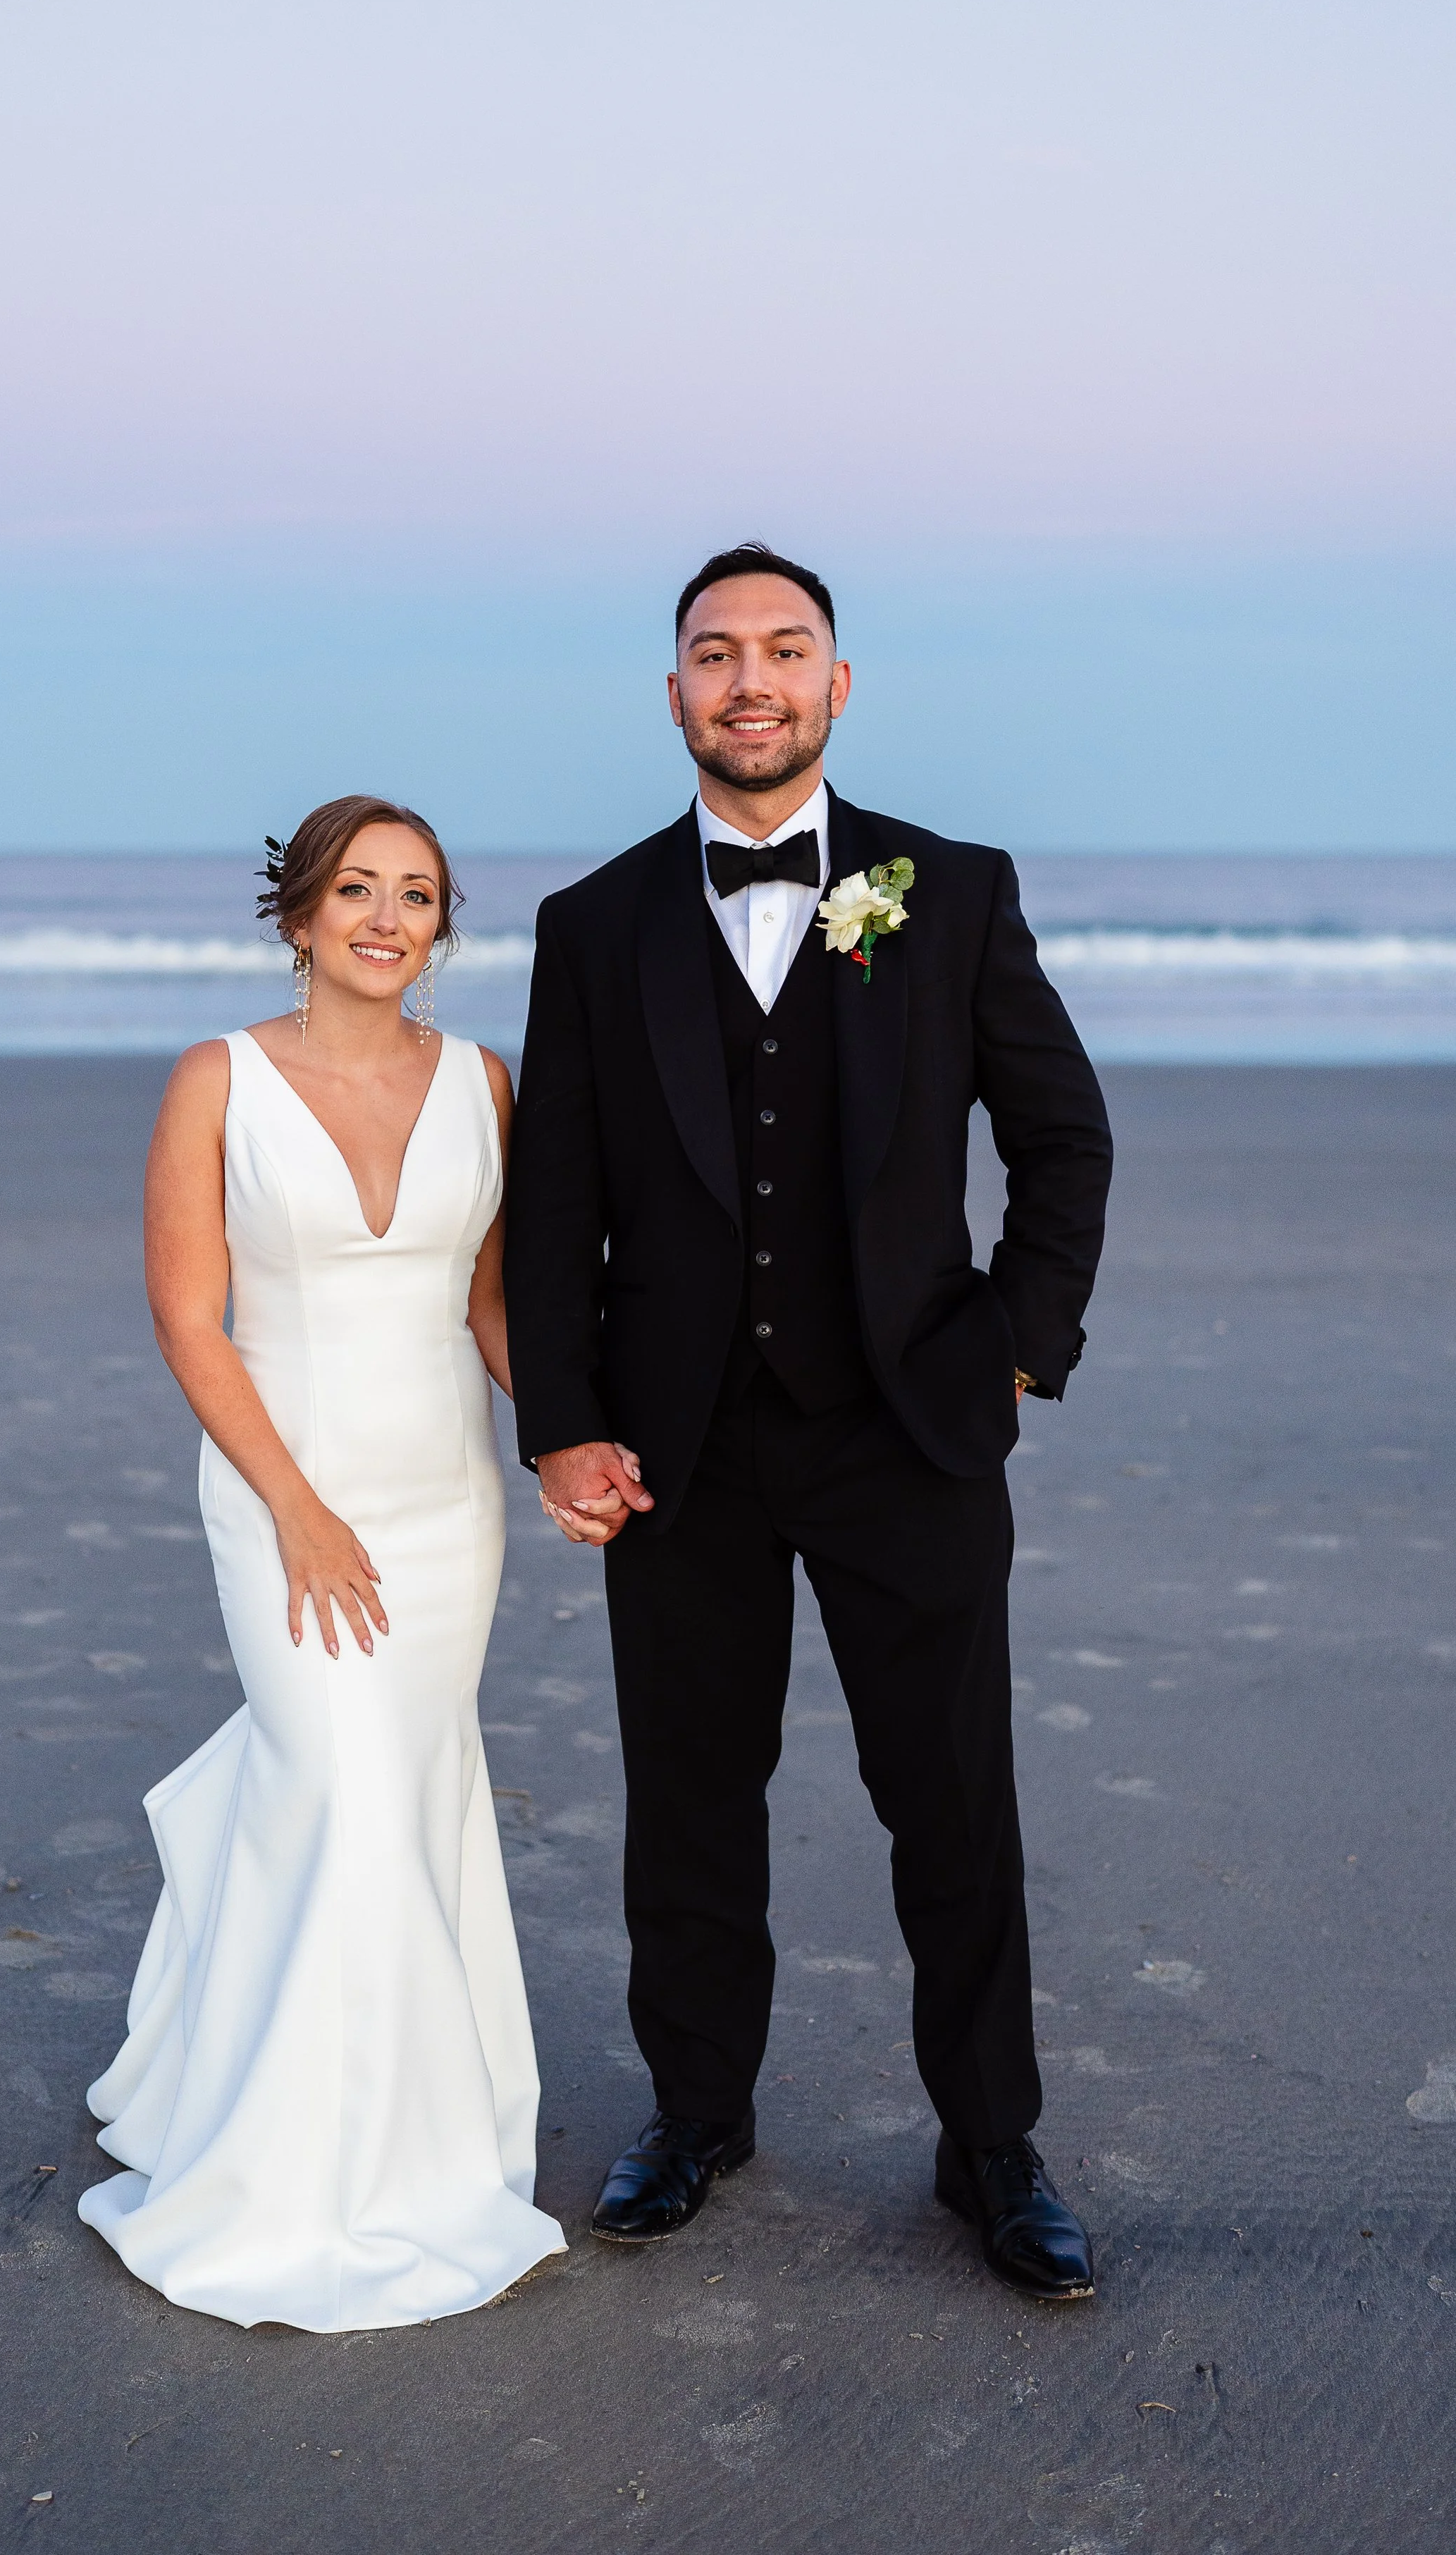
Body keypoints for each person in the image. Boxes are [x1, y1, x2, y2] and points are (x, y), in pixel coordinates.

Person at [505, 543, 1114, 2301]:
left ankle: (989, 2142)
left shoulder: (954, 889)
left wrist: (1012, 1344)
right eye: (715, 653)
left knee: (950, 1801)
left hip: (908, 1432)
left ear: (837, 687)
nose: (749, 680)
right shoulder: (593, 925)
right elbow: (553, 1212)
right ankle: (697, 2114)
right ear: (674, 690)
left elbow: (1060, 1140)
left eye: (785, 651)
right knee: (689, 1799)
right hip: (673, 1448)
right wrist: (560, 1422)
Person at [78, 797, 566, 2330]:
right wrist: (291, 1504)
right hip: (282, 1494)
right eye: (354, 889)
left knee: (400, 1793)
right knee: (341, 1786)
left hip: (441, 1507)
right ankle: (297, 2179)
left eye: (415, 896)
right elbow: (187, 1321)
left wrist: (564, 1438)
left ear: (440, 929)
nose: (383, 916)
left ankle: (416, 2151)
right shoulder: (216, 1081)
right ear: (297, 917)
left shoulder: (485, 1084)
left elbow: (491, 1309)